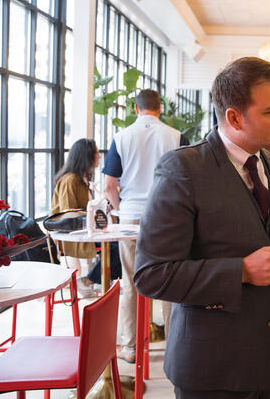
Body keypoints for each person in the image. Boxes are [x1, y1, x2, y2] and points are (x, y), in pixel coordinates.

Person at [134, 57, 270, 399]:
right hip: (211, 366)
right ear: (234, 117)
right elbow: (151, 273)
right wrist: (241, 271)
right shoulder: (183, 170)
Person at [103, 89, 188, 364]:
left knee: (131, 282)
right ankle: (174, 344)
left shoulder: (122, 137)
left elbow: (109, 185)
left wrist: (118, 210)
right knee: (170, 280)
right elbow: (187, 180)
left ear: (136, 109)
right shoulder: (175, 136)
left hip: (130, 217)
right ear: (159, 108)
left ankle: (129, 347)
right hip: (167, 216)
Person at [51, 138, 100, 298]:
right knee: (115, 247)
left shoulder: (80, 179)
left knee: (115, 246)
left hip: (83, 229)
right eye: (96, 153)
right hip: (70, 232)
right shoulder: (71, 180)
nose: (99, 156)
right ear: (87, 156)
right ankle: (87, 279)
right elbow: (68, 214)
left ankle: (92, 278)